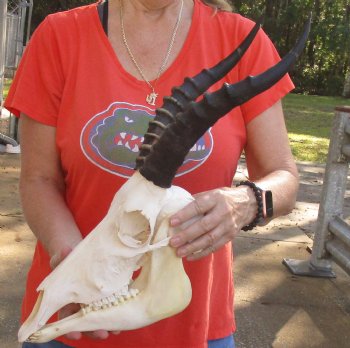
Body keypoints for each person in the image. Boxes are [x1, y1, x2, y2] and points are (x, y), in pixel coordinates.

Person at [5, 0, 299, 347]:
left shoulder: (242, 39)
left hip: (196, 329)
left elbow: (283, 178)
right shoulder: (58, 36)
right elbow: (39, 179)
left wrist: (245, 202)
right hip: (69, 317)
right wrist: (75, 264)